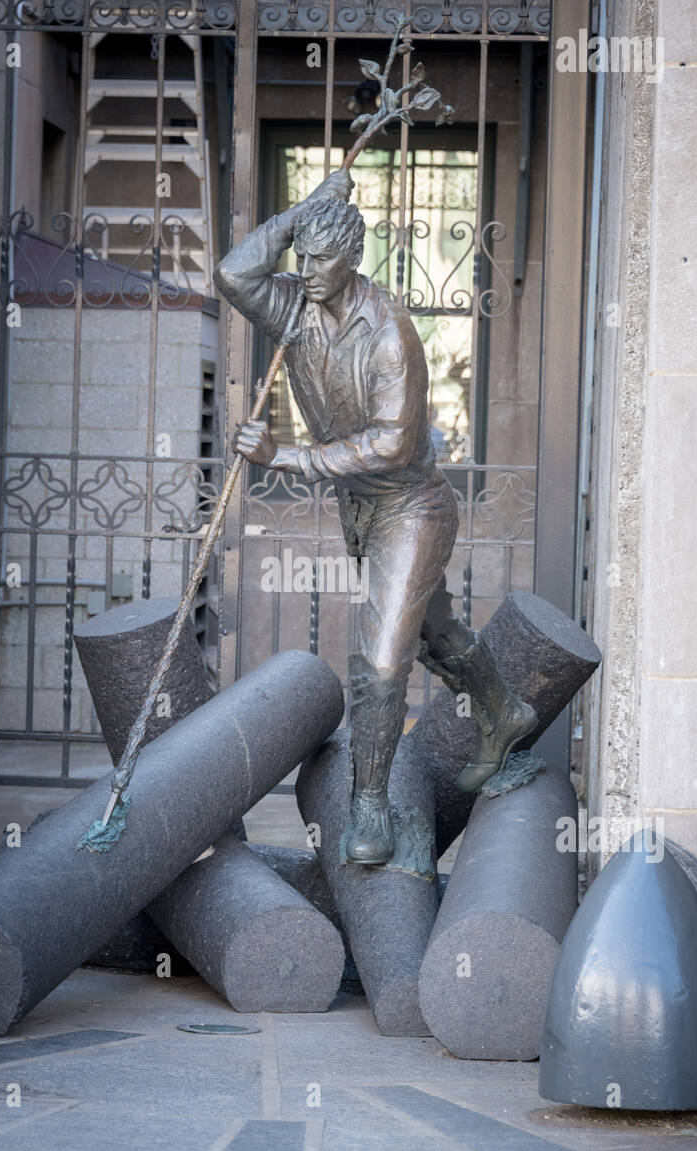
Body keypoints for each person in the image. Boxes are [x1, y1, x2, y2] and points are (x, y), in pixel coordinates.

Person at [214, 169, 536, 865]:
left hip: (412, 507)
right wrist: (307, 206)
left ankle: (370, 807)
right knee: (433, 630)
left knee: (382, 660)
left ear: (353, 258)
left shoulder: (390, 331)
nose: (306, 271)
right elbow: (234, 272)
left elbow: (392, 442)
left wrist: (288, 458)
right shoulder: (296, 307)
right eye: (301, 257)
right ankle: (505, 712)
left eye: (321, 258)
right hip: (363, 509)